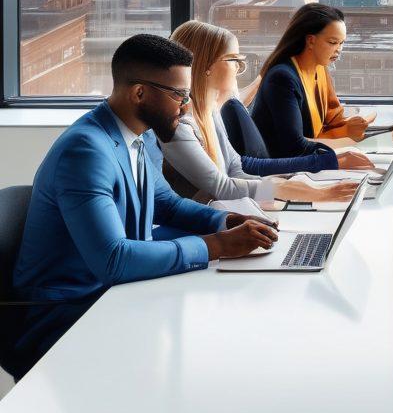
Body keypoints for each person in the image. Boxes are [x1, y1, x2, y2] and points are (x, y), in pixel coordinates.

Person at [10, 35, 278, 380]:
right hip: (69, 315)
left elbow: (166, 204)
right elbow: (113, 259)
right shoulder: (87, 151)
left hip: (118, 295)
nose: (185, 107)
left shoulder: (142, 135)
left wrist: (224, 220)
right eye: (179, 95)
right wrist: (218, 246)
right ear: (139, 93)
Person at [160, 21, 370, 205]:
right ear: (205, 65)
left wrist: (291, 188)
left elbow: (236, 168)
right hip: (207, 228)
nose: (239, 67)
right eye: (233, 60)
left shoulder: (211, 112)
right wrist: (288, 191)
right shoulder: (181, 127)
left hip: (230, 212)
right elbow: (222, 187)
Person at [250, 4, 372, 157]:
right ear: (311, 40)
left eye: (342, 43)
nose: (339, 49)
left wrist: (354, 126)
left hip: (309, 160)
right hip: (285, 169)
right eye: (333, 42)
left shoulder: (320, 69)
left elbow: (333, 118)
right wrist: (349, 139)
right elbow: (295, 146)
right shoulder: (282, 78)